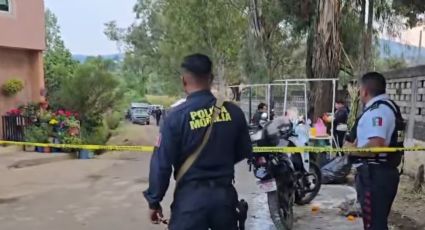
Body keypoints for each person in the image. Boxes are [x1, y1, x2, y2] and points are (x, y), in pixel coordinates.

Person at [143, 53, 252, 230]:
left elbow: (161, 164)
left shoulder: (175, 117)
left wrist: (154, 201)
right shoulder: (234, 112)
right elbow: (244, 151)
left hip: (190, 202)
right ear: (212, 78)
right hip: (224, 200)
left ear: (184, 81)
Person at [346, 72, 404, 230]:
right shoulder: (388, 106)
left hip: (375, 175)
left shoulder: (377, 111)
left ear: (364, 91)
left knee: (374, 225)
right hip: (380, 173)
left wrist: (351, 150)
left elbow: (376, 146)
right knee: (375, 222)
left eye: (359, 89)